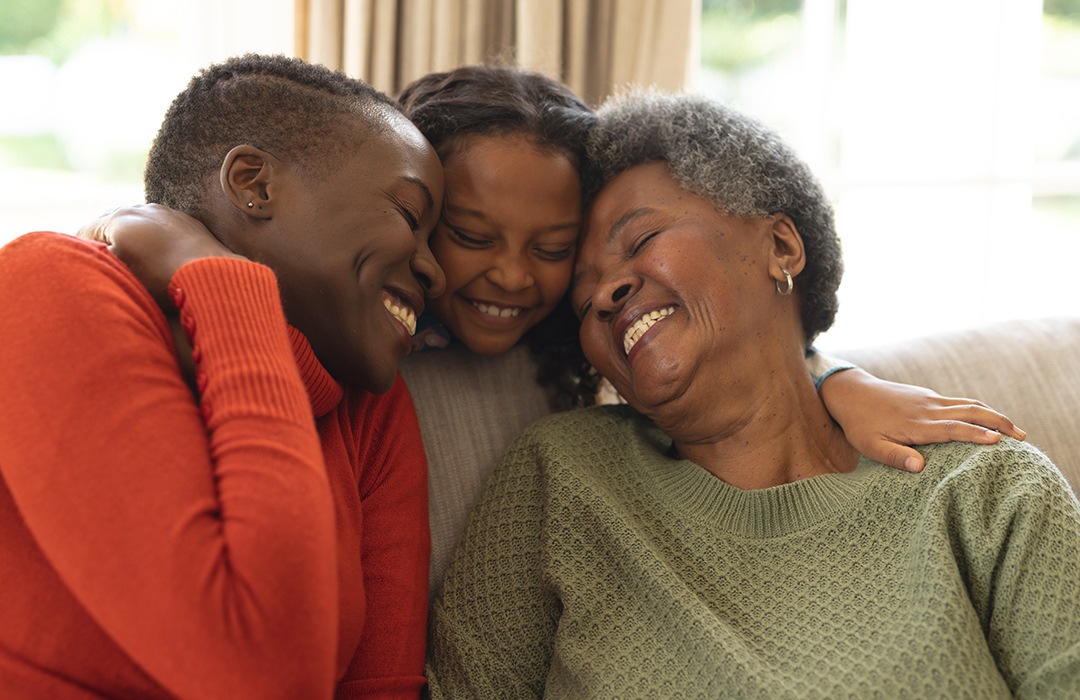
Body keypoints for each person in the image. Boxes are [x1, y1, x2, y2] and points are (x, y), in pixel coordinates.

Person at [424, 91, 1080, 697]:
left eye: (642, 240)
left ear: (781, 245)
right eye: (583, 291)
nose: (605, 292)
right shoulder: (559, 477)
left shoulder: (986, 485)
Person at [0, 54, 444, 699]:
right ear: (253, 184)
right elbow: (256, 672)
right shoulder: (50, 285)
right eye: (410, 214)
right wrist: (220, 283)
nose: (437, 270)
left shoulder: (370, 412)